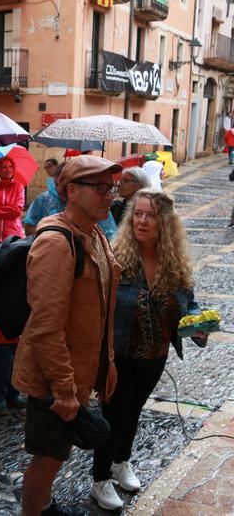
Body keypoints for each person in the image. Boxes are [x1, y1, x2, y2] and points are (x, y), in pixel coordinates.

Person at [13, 155, 120, 516]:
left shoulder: (96, 232)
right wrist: (63, 388)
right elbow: (46, 326)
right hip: (54, 376)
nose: (110, 196)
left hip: (77, 370)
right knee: (48, 457)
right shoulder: (57, 245)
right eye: (101, 188)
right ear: (72, 191)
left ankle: (44, 504)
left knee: (57, 454)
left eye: (112, 188)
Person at [90, 189, 205, 510]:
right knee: (112, 416)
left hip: (154, 356)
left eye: (150, 215)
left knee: (133, 412)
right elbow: (98, 307)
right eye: (137, 213)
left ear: (164, 223)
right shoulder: (117, 258)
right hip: (120, 355)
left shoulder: (174, 264)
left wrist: (198, 322)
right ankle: (100, 478)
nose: (141, 220)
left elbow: (189, 304)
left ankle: (120, 461)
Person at [24, 163, 118, 240]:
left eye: (109, 188)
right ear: (72, 190)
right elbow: (29, 226)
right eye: (100, 187)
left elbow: (110, 236)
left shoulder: (98, 232)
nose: (59, 189)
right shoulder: (43, 200)